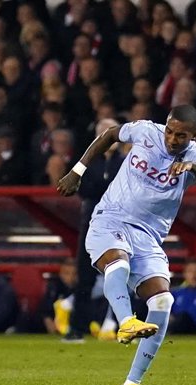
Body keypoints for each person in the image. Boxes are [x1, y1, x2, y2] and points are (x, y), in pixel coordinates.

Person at [57, 105, 196, 385]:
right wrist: (78, 171)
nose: (171, 139)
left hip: (149, 236)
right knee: (118, 263)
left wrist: (191, 167)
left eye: (181, 135)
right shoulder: (145, 131)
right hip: (111, 218)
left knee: (163, 299)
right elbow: (109, 135)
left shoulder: (194, 157)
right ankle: (126, 320)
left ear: (194, 135)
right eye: (169, 130)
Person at [61, 118, 128, 343]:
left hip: (120, 224)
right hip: (91, 223)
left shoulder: (126, 162)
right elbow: (84, 189)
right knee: (85, 277)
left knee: (128, 274)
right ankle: (77, 327)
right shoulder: (87, 162)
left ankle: (129, 325)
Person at [38, 258, 77, 335]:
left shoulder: (83, 289)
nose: (70, 277)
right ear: (60, 273)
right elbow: (45, 312)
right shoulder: (54, 287)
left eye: (74, 274)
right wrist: (53, 329)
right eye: (67, 273)